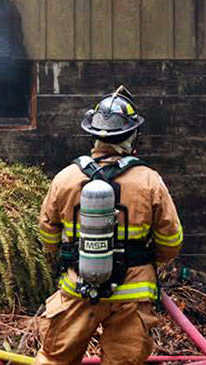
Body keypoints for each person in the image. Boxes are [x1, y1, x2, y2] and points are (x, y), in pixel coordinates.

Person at [35, 87, 183, 365]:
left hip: (79, 287)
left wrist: (64, 254)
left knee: (54, 360)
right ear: (132, 135)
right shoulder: (149, 181)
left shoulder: (65, 178)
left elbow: (47, 233)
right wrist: (148, 262)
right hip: (133, 292)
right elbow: (171, 241)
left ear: (94, 135)